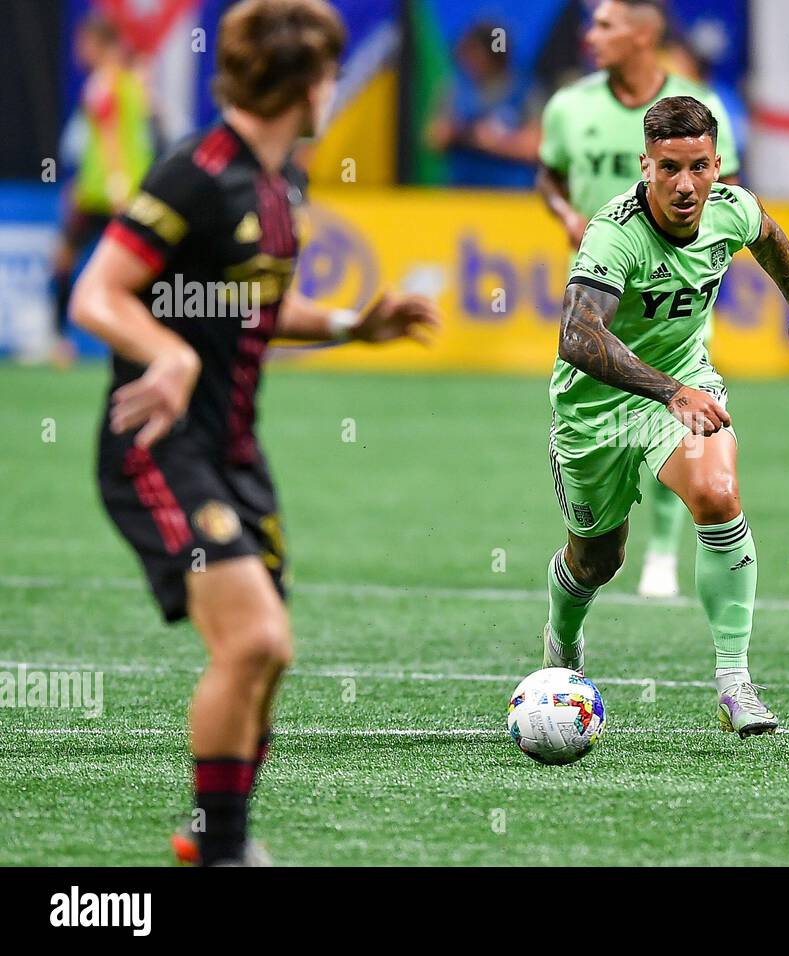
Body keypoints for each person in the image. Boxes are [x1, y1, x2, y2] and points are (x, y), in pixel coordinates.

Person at [69, 0, 438, 866]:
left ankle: (215, 843)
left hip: (236, 452)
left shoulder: (282, 185)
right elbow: (97, 293)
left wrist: (353, 324)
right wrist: (167, 354)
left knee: (267, 659)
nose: (334, 87)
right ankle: (226, 851)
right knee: (256, 639)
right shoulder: (194, 173)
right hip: (157, 447)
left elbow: (253, 309)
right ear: (308, 84)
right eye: (331, 73)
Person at [541, 96, 789, 737]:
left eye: (699, 167)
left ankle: (735, 682)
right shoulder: (614, 234)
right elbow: (578, 339)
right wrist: (668, 392)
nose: (684, 185)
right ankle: (562, 640)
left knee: (718, 494)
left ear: (717, 163)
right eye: (668, 168)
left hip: (684, 386)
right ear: (645, 165)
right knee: (597, 560)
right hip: (596, 408)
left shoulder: (731, 208)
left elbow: (770, 236)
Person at [537, 0, 741, 599]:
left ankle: (662, 555)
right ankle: (609, 547)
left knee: (685, 403)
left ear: (645, 34)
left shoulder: (698, 106)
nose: (589, 34)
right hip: (603, 286)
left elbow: (726, 195)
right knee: (618, 397)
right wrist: (565, 212)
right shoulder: (568, 106)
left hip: (675, 288)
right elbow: (547, 173)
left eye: (604, 24)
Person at [52, 13, 154, 366]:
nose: (79, 50)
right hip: (109, 190)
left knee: (85, 265)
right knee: (127, 268)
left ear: (100, 45)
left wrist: (116, 184)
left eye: (85, 43)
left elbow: (111, 138)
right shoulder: (134, 81)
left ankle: (62, 341)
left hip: (108, 193)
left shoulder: (106, 83)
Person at [424, 22, 540, 189]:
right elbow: (434, 137)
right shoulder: (456, 89)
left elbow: (536, 147)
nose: (472, 59)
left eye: (477, 52)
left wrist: (496, 141)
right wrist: (460, 132)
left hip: (511, 194)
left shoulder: (524, 90)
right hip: (462, 191)